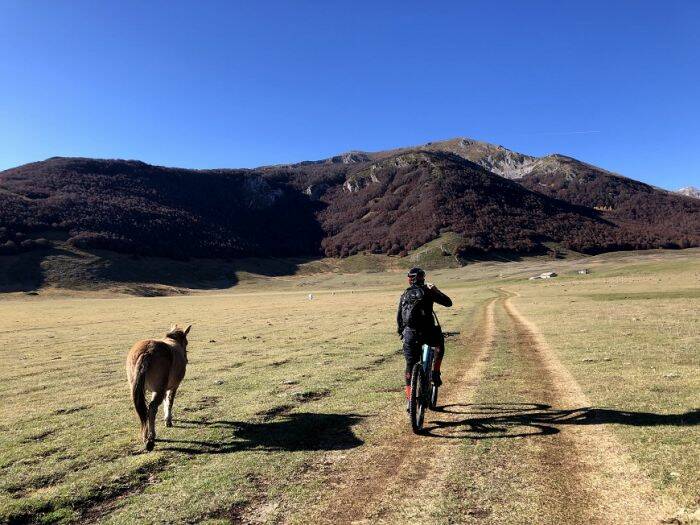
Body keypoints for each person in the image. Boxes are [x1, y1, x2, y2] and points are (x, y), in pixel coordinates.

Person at [397, 267, 452, 407]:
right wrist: (435, 290)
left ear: (410, 279)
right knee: (439, 344)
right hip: (428, 332)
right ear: (422, 278)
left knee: (410, 365)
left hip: (410, 333)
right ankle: (435, 372)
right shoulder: (427, 290)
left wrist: (402, 333)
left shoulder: (405, 294)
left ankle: (410, 399)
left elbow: (399, 317)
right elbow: (448, 302)